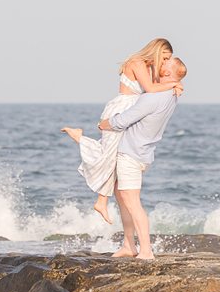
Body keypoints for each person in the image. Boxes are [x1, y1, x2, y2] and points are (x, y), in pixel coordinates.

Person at [61, 38, 184, 223]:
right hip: (120, 110)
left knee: (113, 155)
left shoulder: (151, 68)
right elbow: (151, 89)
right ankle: (80, 140)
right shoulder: (137, 62)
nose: (166, 62)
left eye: (168, 59)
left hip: (132, 112)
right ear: (156, 51)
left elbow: (156, 89)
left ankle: (102, 200)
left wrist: (175, 82)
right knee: (108, 154)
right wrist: (173, 84)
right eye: (165, 57)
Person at [95, 56, 186, 259]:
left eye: (165, 64)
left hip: (131, 153)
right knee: (122, 197)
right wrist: (176, 84)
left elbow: (124, 120)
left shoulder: (152, 97)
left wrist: (103, 124)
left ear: (169, 73)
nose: (161, 64)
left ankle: (146, 250)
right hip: (142, 152)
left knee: (132, 201)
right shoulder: (171, 95)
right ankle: (129, 245)